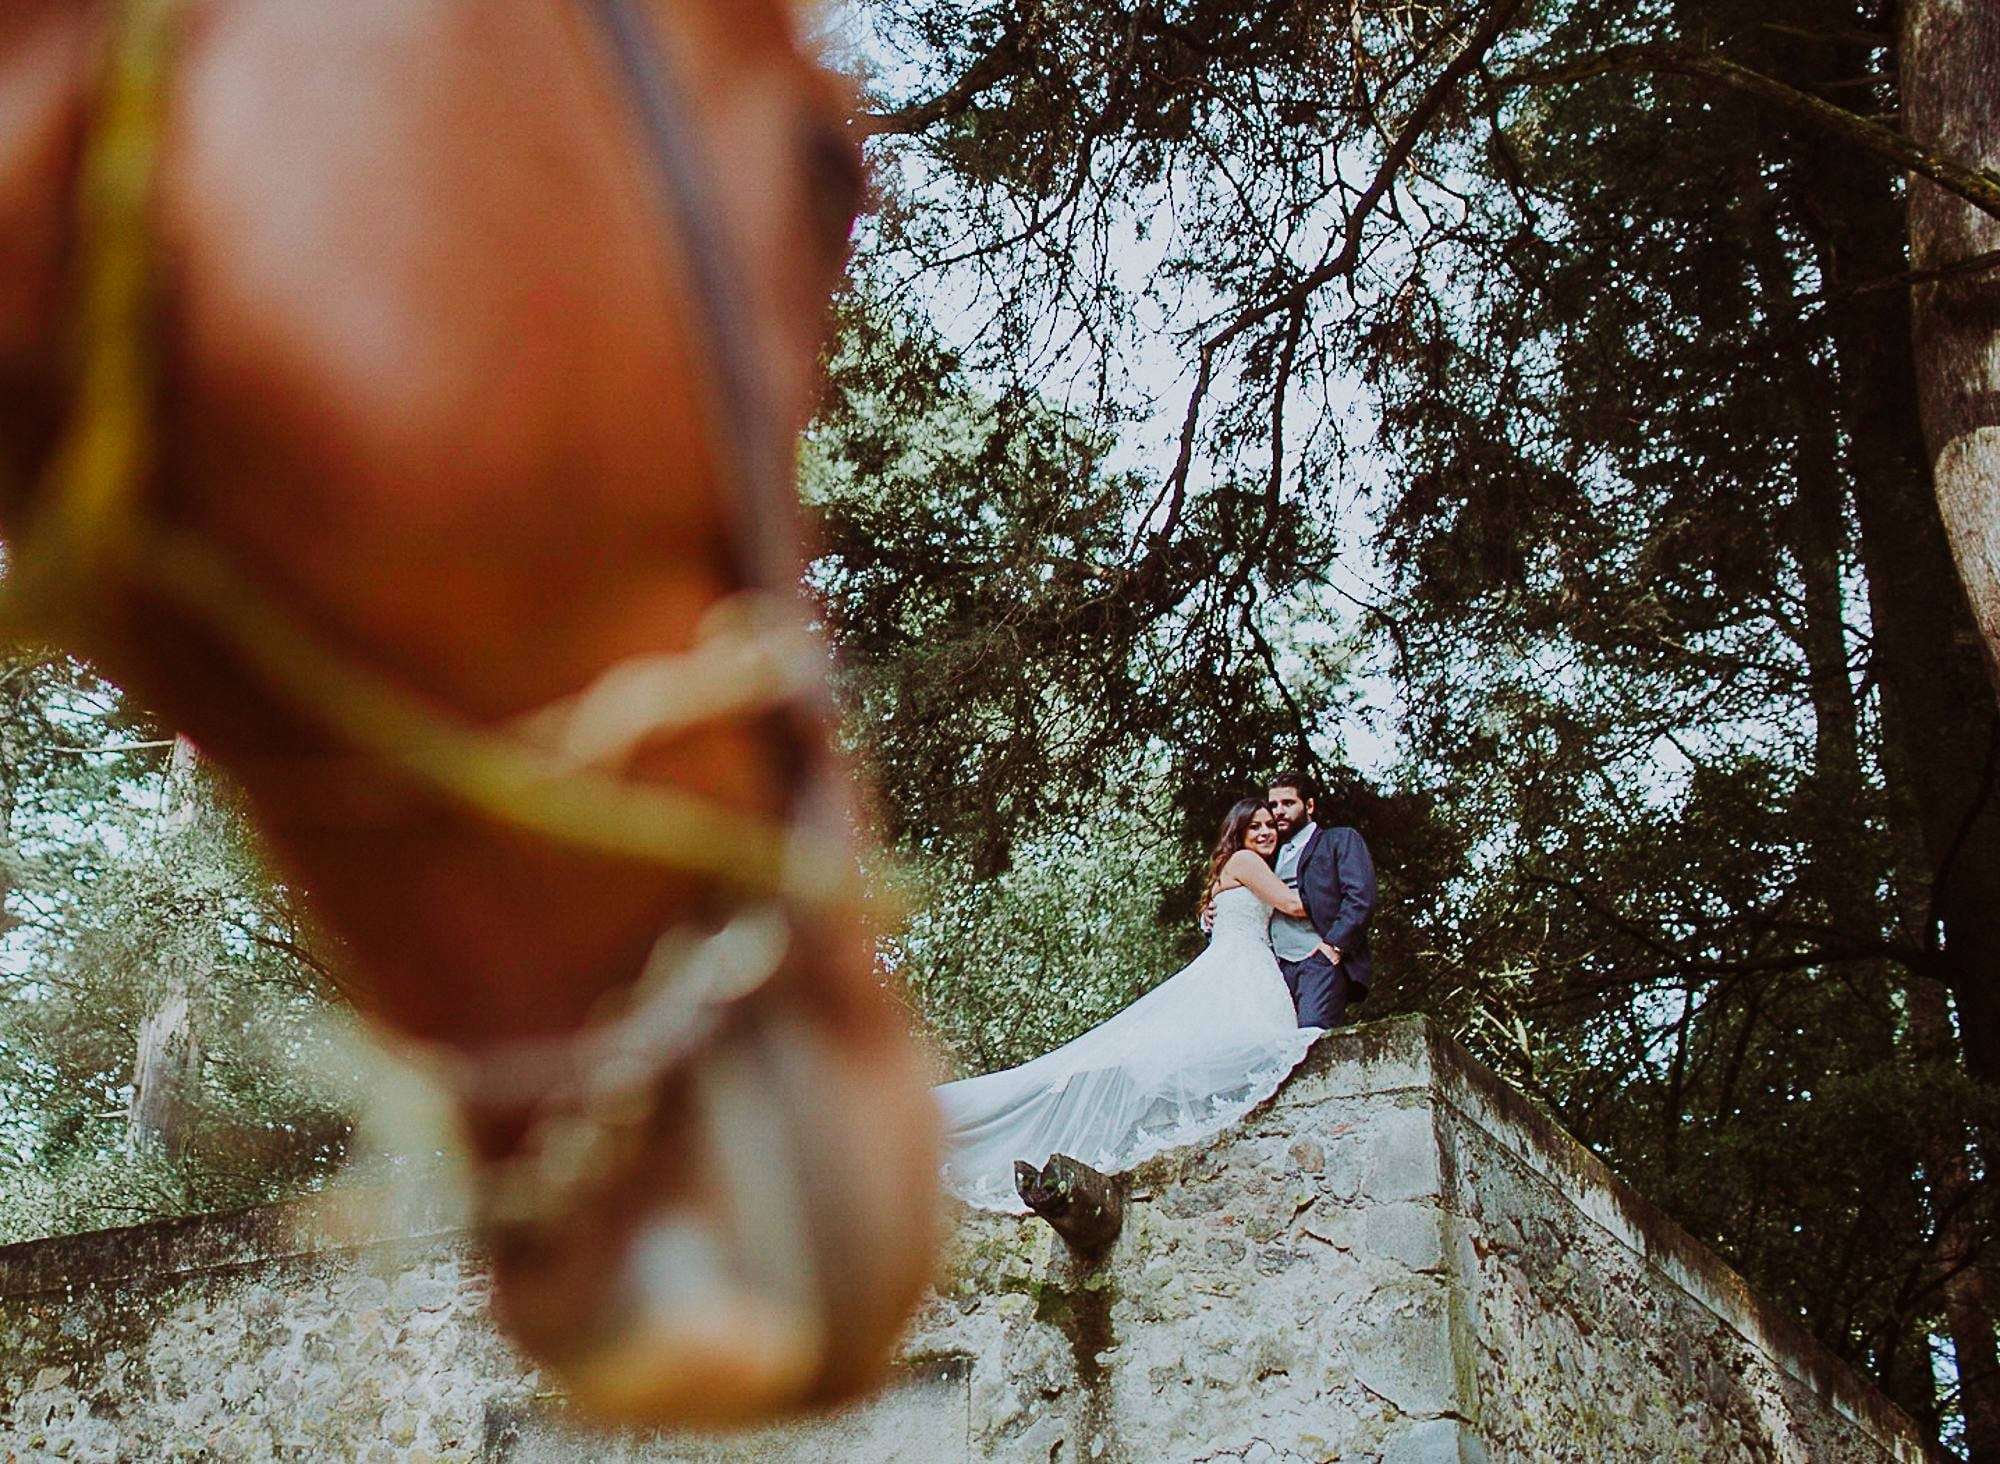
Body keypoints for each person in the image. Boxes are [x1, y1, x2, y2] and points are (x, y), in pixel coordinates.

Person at [936, 798, 1323, 1212]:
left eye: (1270, 826)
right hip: (1242, 966)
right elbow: (1294, 905)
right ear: (1239, 833)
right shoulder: (1247, 861)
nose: (1266, 832)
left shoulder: (1236, 865)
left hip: (1247, 959)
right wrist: (1341, 905)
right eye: (1255, 827)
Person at [1267, 772, 1376, 1029]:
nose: (1279, 811)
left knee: (1312, 1040)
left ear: (1310, 806)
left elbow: (1361, 897)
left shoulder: (1338, 840)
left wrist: (1334, 946)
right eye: (1273, 805)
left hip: (1318, 960)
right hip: (1274, 969)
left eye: (1288, 803)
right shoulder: (1268, 855)